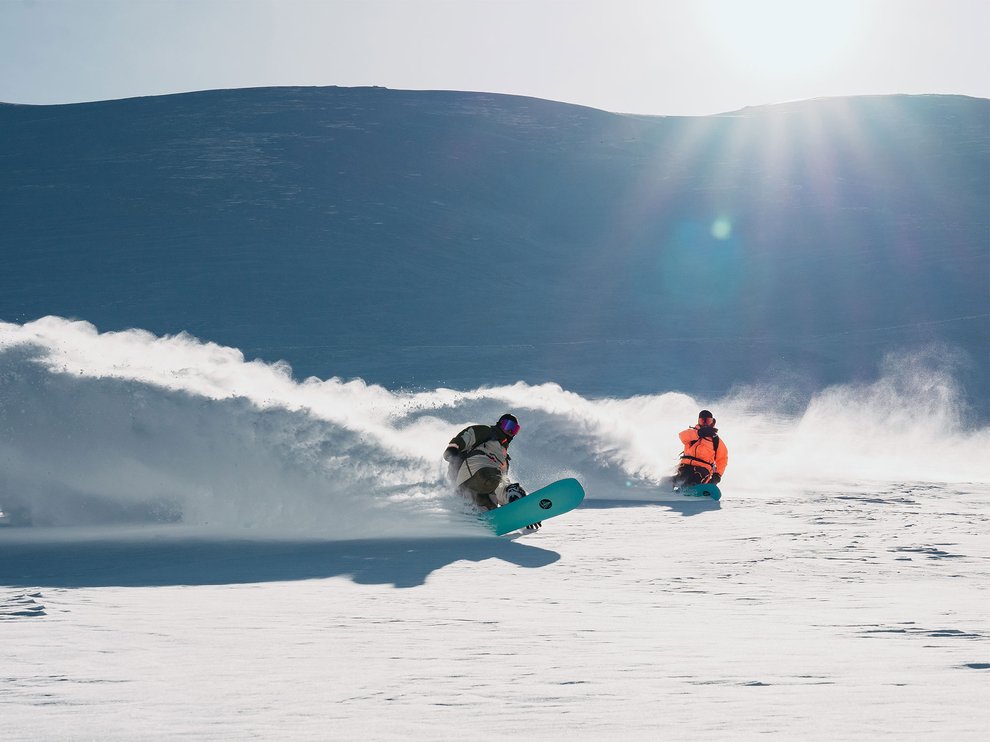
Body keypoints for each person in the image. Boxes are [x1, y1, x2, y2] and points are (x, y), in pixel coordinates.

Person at [443, 413, 536, 526]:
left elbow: (501, 483)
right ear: (500, 424)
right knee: (494, 478)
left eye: (515, 429)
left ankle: (490, 515)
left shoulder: (505, 458)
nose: (510, 431)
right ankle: (513, 494)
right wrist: (453, 448)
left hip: (478, 489)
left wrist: (522, 513)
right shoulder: (487, 432)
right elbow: (468, 436)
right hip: (475, 471)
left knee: (492, 504)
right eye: (508, 426)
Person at [673, 409, 728, 489]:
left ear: (712, 422)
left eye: (708, 421)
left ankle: (692, 489)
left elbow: (722, 459)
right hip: (686, 465)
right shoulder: (692, 433)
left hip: (703, 468)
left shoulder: (715, 440)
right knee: (680, 477)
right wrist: (698, 433)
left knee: (696, 477)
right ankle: (668, 487)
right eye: (702, 421)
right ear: (698, 421)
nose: (705, 424)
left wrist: (717, 475)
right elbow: (682, 436)